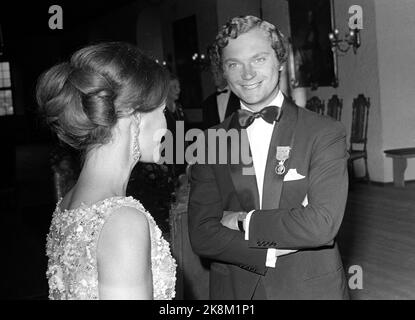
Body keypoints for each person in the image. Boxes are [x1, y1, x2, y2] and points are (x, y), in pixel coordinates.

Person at [188, 16, 349, 299]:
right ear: (223, 72)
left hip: (308, 289)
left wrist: (241, 221)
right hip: (235, 291)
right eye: (233, 64)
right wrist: (271, 249)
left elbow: (321, 225)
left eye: (259, 59)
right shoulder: (210, 141)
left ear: (280, 61)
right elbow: (202, 234)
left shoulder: (324, 132)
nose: (247, 74)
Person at [38, 42, 176, 300]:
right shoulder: (122, 221)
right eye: (163, 110)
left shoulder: (69, 203)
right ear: (134, 115)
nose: (167, 124)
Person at [201, 51, 240, 129]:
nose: (215, 76)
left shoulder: (239, 97)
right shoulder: (207, 103)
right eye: (213, 74)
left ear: (225, 74)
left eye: (217, 73)